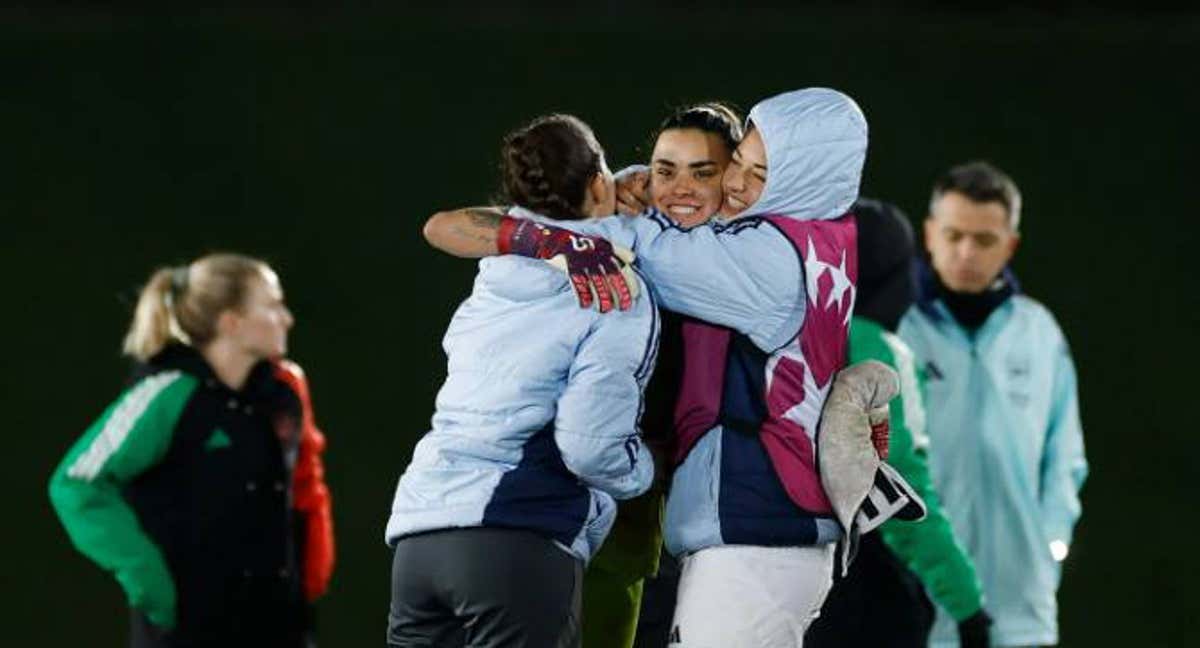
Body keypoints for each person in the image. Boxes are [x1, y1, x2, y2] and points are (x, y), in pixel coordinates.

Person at [423, 88, 883, 647]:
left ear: (805, 178)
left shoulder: (759, 256)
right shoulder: (817, 232)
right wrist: (632, 184)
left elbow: (606, 241)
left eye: (757, 174)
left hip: (742, 522)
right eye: (738, 161)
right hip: (733, 523)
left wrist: (566, 218)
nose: (738, 184)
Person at [385, 114, 658, 648]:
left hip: (419, 535)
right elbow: (588, 446)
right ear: (598, 180)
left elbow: (444, 225)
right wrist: (643, 471)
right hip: (515, 532)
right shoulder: (614, 285)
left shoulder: (504, 255)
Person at [48, 253, 335, 648]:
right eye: (271, 305)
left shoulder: (285, 390)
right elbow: (75, 483)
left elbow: (306, 483)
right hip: (188, 630)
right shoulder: (167, 392)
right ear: (231, 321)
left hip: (279, 626)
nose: (286, 317)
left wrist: (310, 577)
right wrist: (150, 582)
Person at [898, 162, 1088, 647]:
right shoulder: (896, 329)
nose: (966, 252)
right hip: (919, 606)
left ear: (1010, 245)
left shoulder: (1039, 333)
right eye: (954, 234)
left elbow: (1064, 457)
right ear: (929, 235)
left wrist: (1050, 549)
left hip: (1021, 606)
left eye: (984, 240)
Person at [582, 101, 744, 648]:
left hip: (724, 504)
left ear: (737, 178)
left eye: (703, 172)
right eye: (665, 170)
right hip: (623, 491)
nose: (681, 187)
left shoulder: (766, 256)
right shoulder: (618, 233)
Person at [804, 198, 990, 648]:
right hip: (862, 590)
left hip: (776, 575)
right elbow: (896, 488)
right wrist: (966, 604)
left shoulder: (784, 334)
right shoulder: (877, 349)